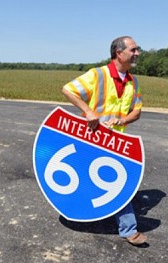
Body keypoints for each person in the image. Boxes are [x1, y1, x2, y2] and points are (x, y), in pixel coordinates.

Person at [62, 36, 147, 246]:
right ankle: (128, 228)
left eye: (137, 50)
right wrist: (89, 112)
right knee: (113, 181)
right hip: (91, 139)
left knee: (115, 181)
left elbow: (137, 111)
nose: (137, 53)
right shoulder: (97, 75)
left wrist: (122, 119)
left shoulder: (133, 81)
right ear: (119, 53)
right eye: (134, 50)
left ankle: (124, 225)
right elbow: (68, 89)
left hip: (116, 142)